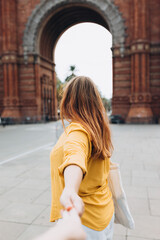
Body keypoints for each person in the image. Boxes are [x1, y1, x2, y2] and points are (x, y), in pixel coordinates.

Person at [50, 76, 114, 240]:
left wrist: (70, 188)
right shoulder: (97, 129)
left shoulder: (78, 130)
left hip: (83, 221)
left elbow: (74, 156)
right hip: (104, 213)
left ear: (69, 100)